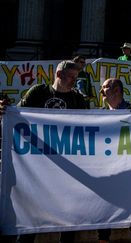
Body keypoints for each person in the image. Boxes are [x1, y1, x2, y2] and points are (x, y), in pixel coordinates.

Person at [16, 60, 88, 243]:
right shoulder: (38, 93)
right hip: (38, 165)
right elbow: (17, 115)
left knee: (68, 216)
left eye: (75, 77)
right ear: (58, 75)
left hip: (66, 166)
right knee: (31, 215)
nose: (74, 81)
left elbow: (88, 128)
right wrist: (5, 110)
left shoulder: (78, 100)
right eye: (71, 77)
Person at [97, 78, 131, 243]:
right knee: (105, 204)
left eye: (105, 87)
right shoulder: (98, 114)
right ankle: (103, 238)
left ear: (117, 90)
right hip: (107, 168)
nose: (101, 91)